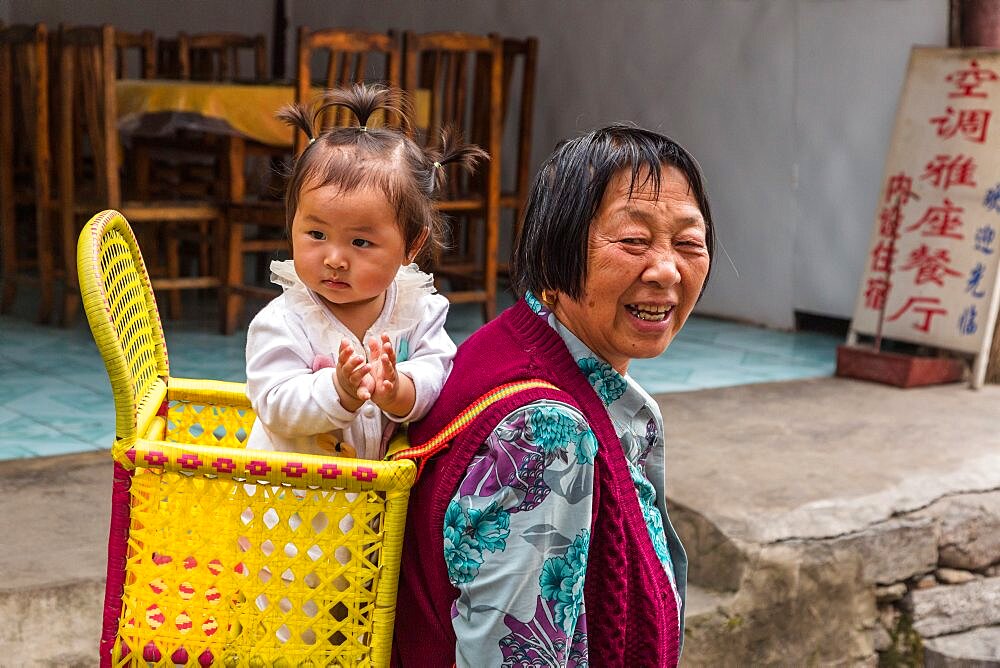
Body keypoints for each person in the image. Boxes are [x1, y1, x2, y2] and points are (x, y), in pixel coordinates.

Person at [393, 125, 714, 667]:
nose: (666, 270)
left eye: (688, 243)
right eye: (633, 241)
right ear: (555, 249)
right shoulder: (545, 431)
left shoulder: (518, 345)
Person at [245, 84, 486, 460]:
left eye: (360, 242)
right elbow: (273, 402)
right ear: (291, 224)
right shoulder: (284, 320)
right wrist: (337, 390)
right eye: (317, 234)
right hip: (291, 508)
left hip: (377, 507)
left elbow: (437, 372)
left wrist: (400, 389)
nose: (335, 258)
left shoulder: (418, 310)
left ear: (412, 246)